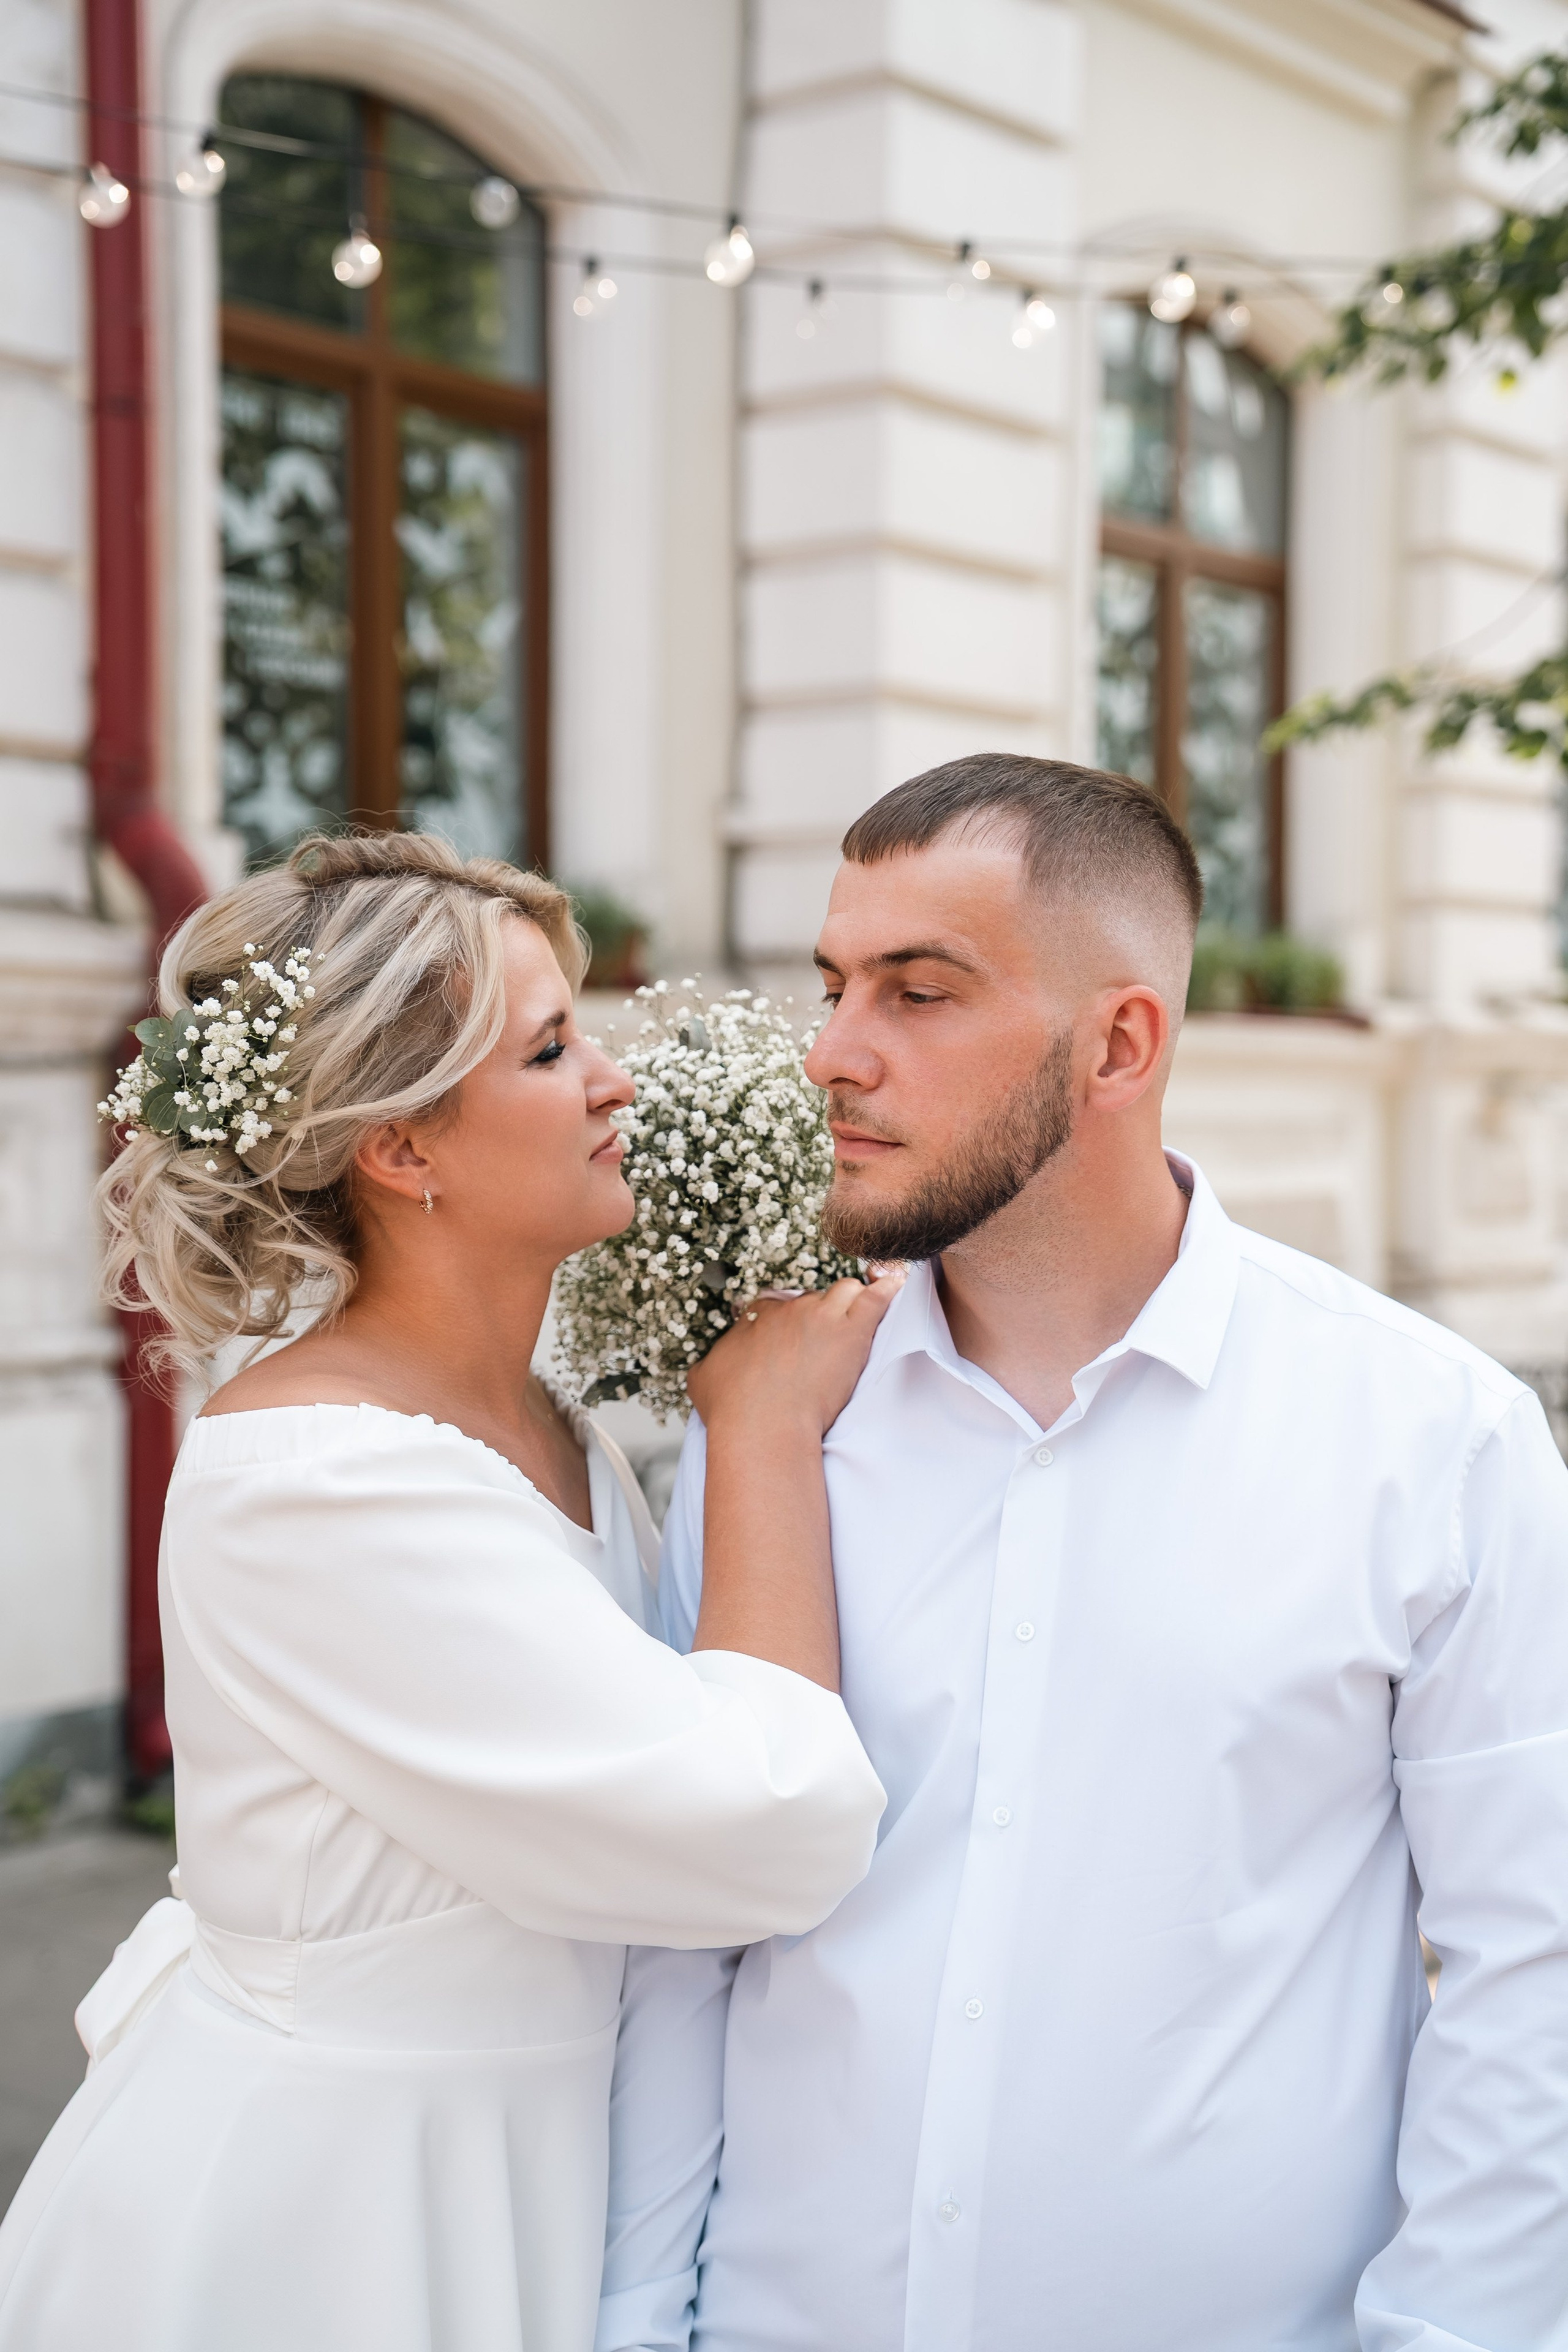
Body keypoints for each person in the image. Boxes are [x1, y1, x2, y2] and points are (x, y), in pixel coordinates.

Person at [600, 753, 1568, 2352]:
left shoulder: (1431, 1441)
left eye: (918, 994)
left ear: (1120, 1043)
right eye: (835, 986)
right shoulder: (771, 1424)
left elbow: (1532, 1965)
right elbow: (687, 1933)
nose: (832, 1055)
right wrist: (637, 2323)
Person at [0, 830, 892, 2352]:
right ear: (401, 1150)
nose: (614, 1081)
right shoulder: (317, 1487)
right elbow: (761, 1831)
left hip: (507, 2172)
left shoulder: (542, 1416)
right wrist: (758, 1424)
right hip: (321, 2218)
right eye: (548, 1050)